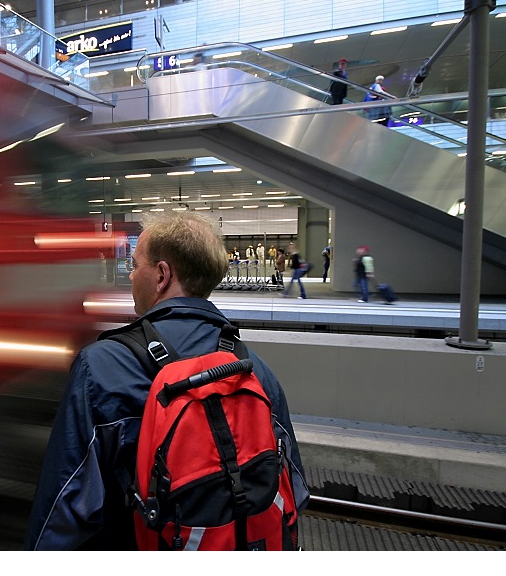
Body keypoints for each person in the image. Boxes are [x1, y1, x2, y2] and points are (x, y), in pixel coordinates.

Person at [22, 211, 309, 550]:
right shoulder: (253, 369)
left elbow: (62, 506)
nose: (130, 277)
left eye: (135, 265)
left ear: (161, 275)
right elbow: (296, 488)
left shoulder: (100, 367)